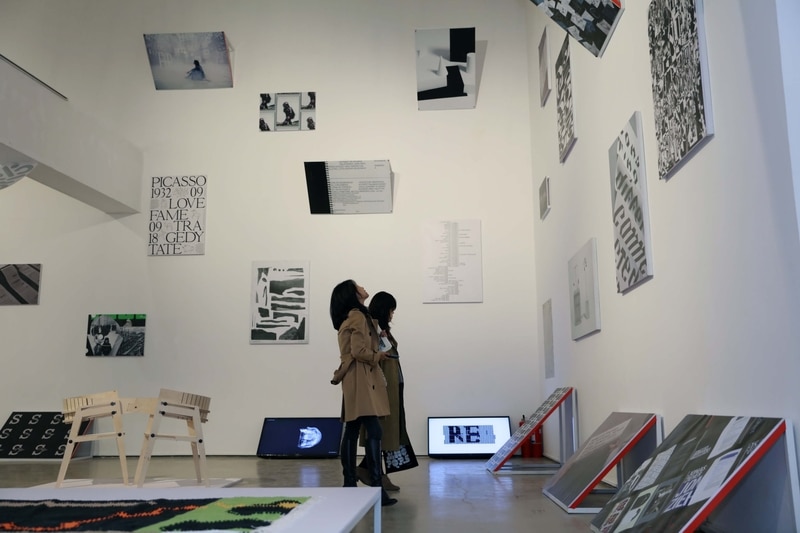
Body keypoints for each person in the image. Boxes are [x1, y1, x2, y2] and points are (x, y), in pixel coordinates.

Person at [330, 280, 397, 506]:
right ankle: (376, 488)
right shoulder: (358, 316)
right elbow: (359, 351)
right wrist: (378, 356)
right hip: (360, 376)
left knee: (352, 428)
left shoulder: (356, 316)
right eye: (358, 285)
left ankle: (350, 483)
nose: (362, 287)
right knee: (373, 429)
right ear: (352, 293)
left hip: (356, 376)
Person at [356, 291, 416, 491]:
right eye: (391, 310)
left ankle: (371, 471)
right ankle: (376, 474)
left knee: (386, 431)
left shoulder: (381, 330)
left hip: (391, 386)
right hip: (382, 389)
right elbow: (367, 355)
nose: (392, 314)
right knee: (382, 431)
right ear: (384, 310)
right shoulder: (371, 329)